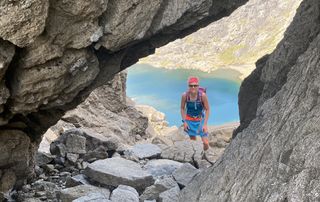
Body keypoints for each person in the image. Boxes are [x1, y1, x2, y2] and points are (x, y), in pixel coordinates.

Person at [180, 76, 210, 150]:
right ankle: (197, 156)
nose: (193, 87)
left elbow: (207, 109)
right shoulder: (185, 95)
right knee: (193, 141)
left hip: (200, 120)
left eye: (195, 85)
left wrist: (205, 124)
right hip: (189, 120)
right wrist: (184, 122)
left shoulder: (202, 96)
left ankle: (205, 153)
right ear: (188, 86)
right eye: (191, 85)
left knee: (205, 142)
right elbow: (182, 108)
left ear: (198, 86)